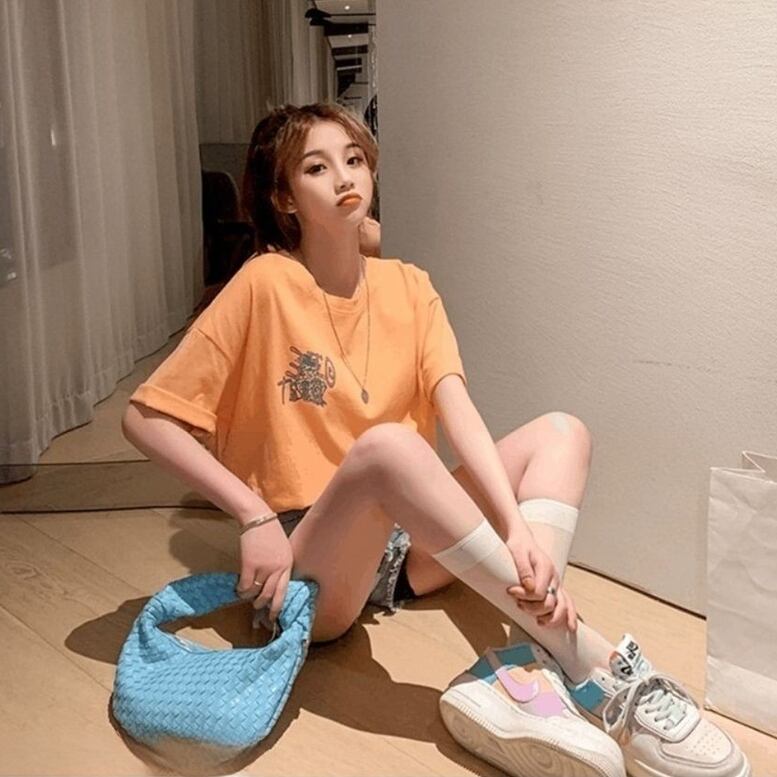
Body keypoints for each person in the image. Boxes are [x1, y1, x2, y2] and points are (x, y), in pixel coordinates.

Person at [121, 103, 750, 777]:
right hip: (312, 566)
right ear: (284, 198)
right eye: (316, 167)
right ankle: (595, 663)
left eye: (354, 160)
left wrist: (515, 528)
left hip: (402, 545)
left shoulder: (409, 286)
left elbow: (458, 410)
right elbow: (145, 419)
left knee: (562, 434)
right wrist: (252, 516)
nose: (344, 177)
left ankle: (524, 667)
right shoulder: (265, 281)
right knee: (388, 447)